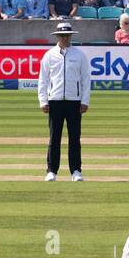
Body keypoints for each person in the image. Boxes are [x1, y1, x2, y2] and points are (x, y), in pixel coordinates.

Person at [37, 18, 91, 183]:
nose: (65, 38)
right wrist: (43, 101)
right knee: (54, 138)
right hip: (55, 100)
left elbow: (86, 80)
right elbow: (43, 80)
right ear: (57, 37)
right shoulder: (49, 55)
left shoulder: (79, 55)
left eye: (67, 35)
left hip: (74, 101)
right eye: (62, 35)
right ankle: (52, 170)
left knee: (74, 137)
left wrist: (85, 100)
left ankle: (76, 170)